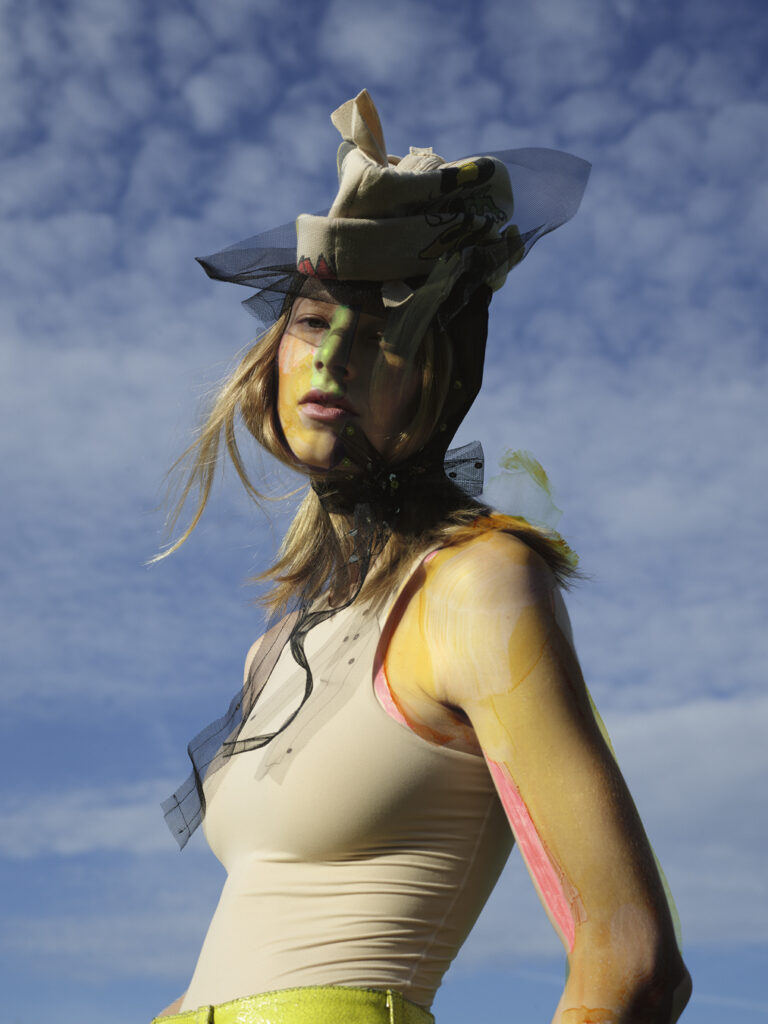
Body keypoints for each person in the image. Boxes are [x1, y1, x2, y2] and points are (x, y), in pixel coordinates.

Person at [153, 91, 691, 1024]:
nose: (336, 360)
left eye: (385, 333)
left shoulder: (480, 583)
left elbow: (632, 957)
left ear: (441, 378)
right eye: (315, 322)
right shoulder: (278, 645)